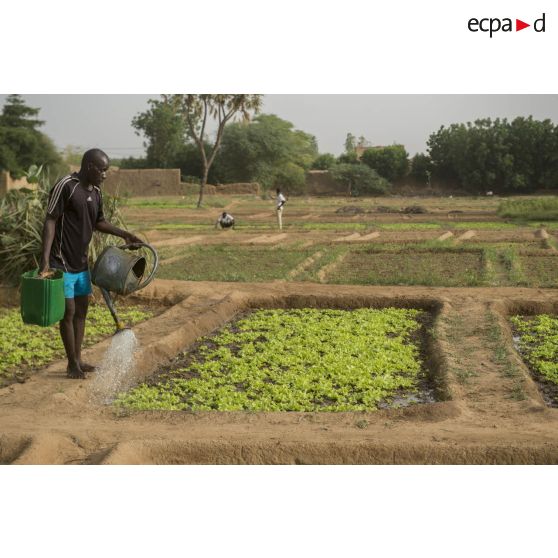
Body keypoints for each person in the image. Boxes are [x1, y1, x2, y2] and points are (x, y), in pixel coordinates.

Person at [38, 148, 142, 379]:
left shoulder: (95, 192)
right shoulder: (66, 186)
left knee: (81, 311)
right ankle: (71, 364)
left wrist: (125, 234)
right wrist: (45, 260)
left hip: (81, 263)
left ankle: (79, 359)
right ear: (90, 167)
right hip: (60, 261)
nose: (105, 175)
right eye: (102, 170)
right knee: (69, 311)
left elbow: (99, 222)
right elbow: (50, 220)